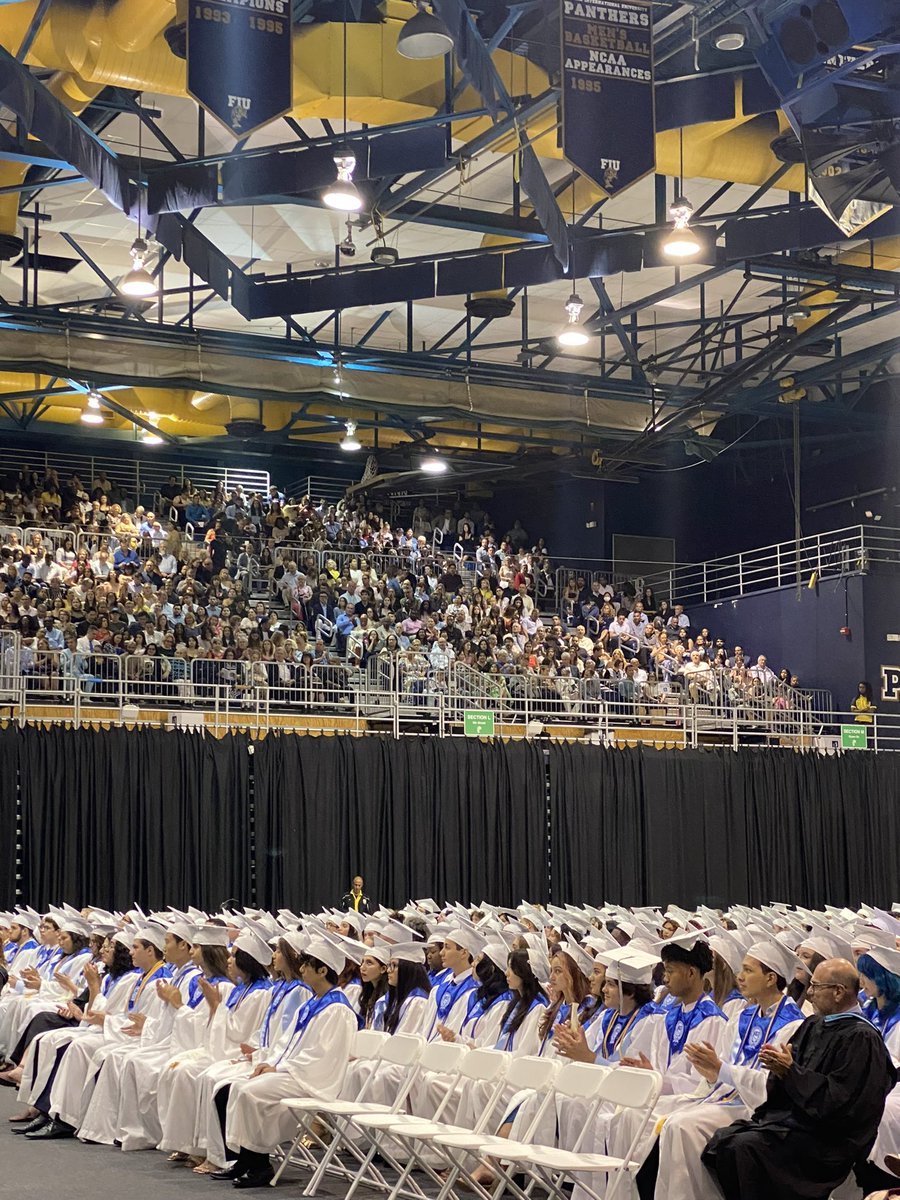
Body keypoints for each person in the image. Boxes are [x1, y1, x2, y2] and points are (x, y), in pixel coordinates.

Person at [702, 958, 897, 1200]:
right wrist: (780, 1070)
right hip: (797, 1124)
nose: (811, 993)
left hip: (829, 1140)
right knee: (724, 1142)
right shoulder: (814, 1024)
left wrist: (791, 1072)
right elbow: (787, 1079)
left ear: (838, 992)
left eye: (816, 986)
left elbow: (842, 1102)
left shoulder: (862, 1038)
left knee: (746, 1148)